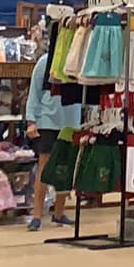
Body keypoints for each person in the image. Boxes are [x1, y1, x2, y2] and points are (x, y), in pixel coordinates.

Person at [25, 23, 79, 231]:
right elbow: (34, 92)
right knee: (45, 167)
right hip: (48, 120)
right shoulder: (45, 62)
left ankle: (59, 212)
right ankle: (37, 215)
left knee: (65, 167)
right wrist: (31, 121)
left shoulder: (78, 63)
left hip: (72, 121)